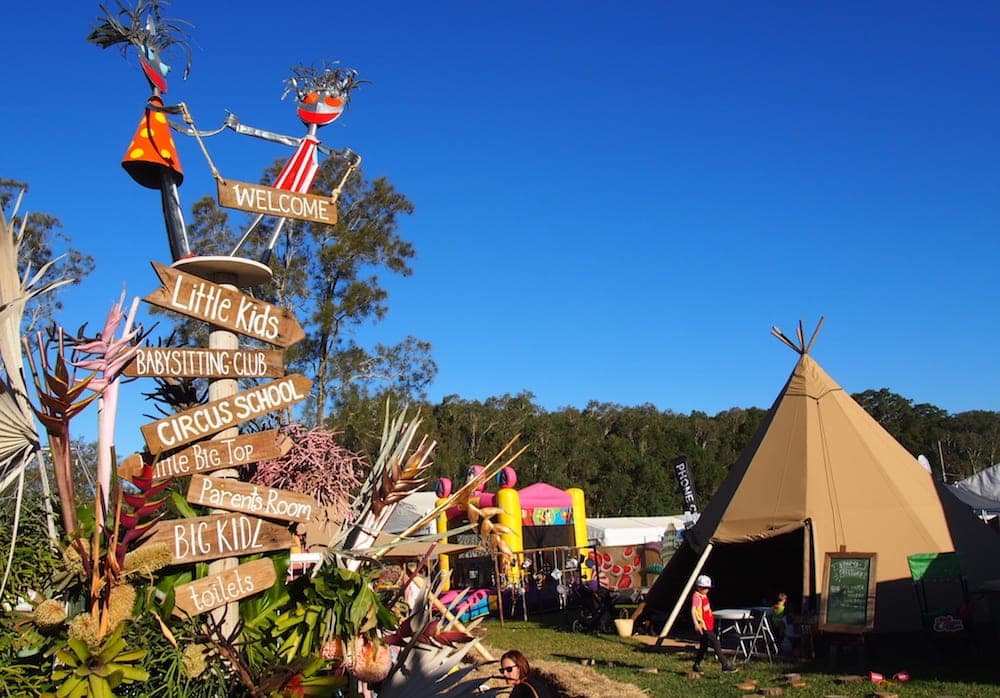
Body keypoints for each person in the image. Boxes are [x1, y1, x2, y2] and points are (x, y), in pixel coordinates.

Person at [690, 574, 738, 674]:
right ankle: (725, 664)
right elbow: (693, 610)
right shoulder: (697, 597)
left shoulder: (704, 595)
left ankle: (696, 664)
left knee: (704, 646)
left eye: (707, 588)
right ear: (698, 587)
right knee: (715, 642)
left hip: (708, 624)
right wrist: (696, 623)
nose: (706, 590)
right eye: (704, 588)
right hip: (703, 626)